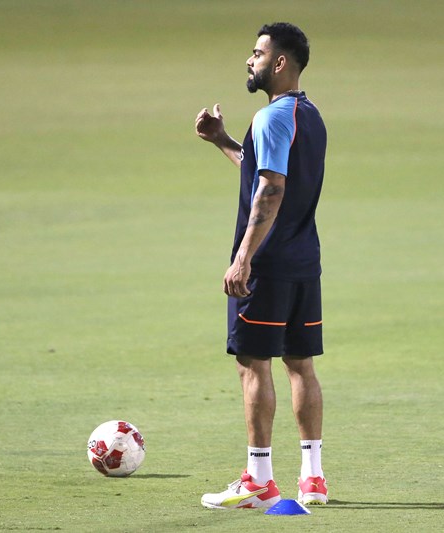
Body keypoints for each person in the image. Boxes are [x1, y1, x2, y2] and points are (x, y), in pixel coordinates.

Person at [195, 22, 328, 510]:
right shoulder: (308, 115)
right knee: (301, 366)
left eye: (256, 53)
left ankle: (258, 479)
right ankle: (313, 478)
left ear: (279, 63)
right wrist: (224, 141)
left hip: (267, 266)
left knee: (254, 366)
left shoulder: (271, 117)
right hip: (303, 262)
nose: (248, 61)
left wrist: (243, 257)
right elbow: (265, 172)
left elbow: (270, 190)